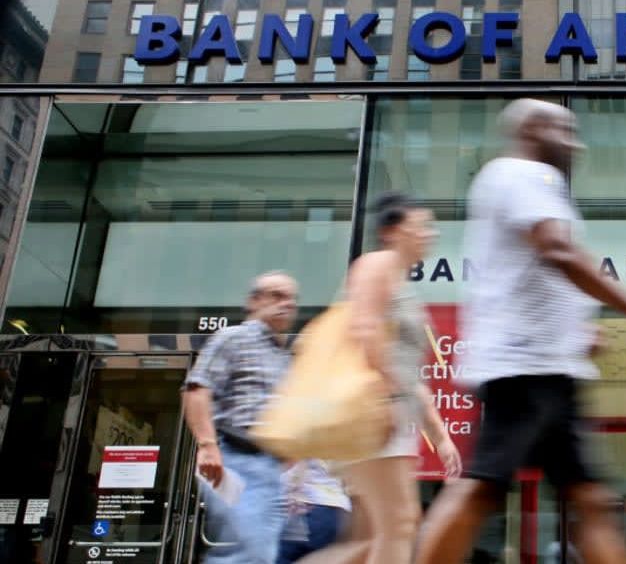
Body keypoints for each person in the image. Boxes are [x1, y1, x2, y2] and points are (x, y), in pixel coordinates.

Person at [414, 98, 626, 564]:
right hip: (524, 366)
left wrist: (578, 332)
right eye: (565, 130)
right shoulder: (525, 175)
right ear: (534, 131)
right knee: (483, 490)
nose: (575, 143)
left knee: (589, 498)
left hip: (548, 366)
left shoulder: (519, 181)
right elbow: (557, 251)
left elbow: (533, 269)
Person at [305, 192, 461, 564]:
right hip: (371, 414)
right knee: (400, 523)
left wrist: (439, 437)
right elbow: (364, 328)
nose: (429, 234)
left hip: (387, 413)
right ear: (392, 230)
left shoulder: (402, 284)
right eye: (421, 225)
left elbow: (411, 377)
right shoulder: (376, 265)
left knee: (370, 538)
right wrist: (388, 399)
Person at [183, 271, 299, 564]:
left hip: (270, 472)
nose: (286, 304)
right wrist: (208, 446)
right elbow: (196, 390)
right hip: (234, 461)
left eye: (291, 299)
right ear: (254, 301)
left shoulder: (282, 356)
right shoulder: (232, 338)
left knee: (262, 555)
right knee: (249, 553)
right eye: (276, 295)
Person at [277, 461, 351, 564]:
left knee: (277, 551)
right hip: (336, 515)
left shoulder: (303, 454)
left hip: (313, 511)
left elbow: (296, 475)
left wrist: (293, 493)